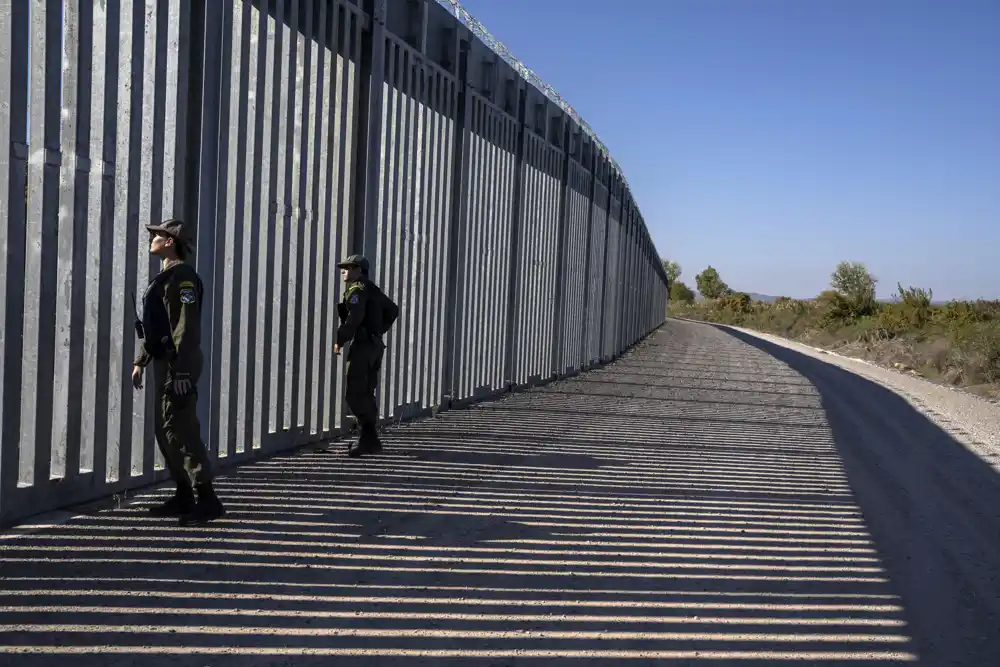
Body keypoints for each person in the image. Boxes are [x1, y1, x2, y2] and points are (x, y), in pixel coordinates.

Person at [131, 219, 225, 526]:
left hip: (177, 364)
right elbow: (157, 325)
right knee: (165, 429)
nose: (153, 238)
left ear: (170, 241)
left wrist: (182, 371)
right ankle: (184, 493)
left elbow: (185, 326)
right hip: (165, 361)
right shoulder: (166, 275)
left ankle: (207, 499)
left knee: (181, 428)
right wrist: (141, 361)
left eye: (158, 234)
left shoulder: (182, 277)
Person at [334, 254, 398, 457]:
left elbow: (354, 317)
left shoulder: (357, 290)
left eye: (348, 267)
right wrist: (377, 332)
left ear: (358, 271)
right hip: (375, 346)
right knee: (366, 391)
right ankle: (370, 440)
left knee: (354, 393)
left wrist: (341, 339)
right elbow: (393, 310)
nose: (344, 271)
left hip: (363, 347)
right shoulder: (373, 289)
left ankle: (368, 439)